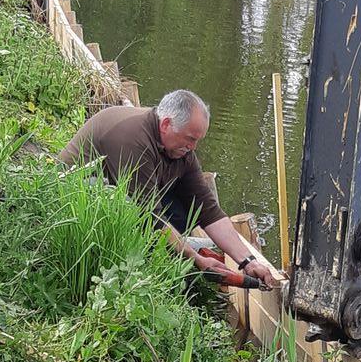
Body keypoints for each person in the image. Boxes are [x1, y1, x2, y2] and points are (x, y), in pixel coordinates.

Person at [58, 88, 285, 289]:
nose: (193, 147)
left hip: (128, 196)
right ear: (166, 124)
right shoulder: (133, 139)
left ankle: (160, 249)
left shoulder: (181, 149)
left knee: (189, 212)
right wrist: (196, 258)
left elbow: (208, 210)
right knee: (139, 213)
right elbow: (149, 215)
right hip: (76, 196)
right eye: (189, 139)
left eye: (197, 141)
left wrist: (248, 261)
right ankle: (141, 256)